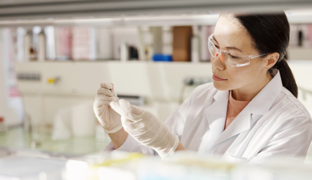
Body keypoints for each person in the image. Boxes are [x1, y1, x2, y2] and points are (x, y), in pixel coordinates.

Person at [93, 13, 312, 163]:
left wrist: (171, 148)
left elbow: (166, 151)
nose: (216, 63)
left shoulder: (291, 123)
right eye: (215, 46)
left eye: (233, 55)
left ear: (269, 60)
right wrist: (115, 130)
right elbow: (150, 161)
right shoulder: (202, 96)